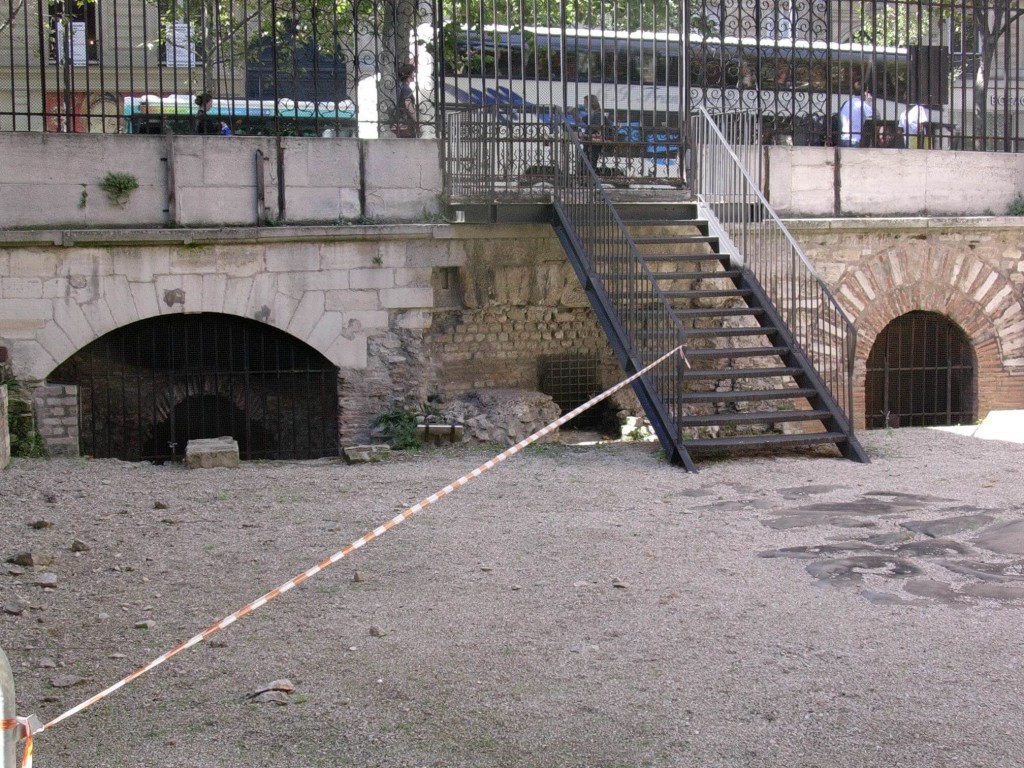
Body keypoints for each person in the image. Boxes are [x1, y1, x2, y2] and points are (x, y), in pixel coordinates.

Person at [837, 81, 873, 147]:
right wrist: (869, 102)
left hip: (843, 138)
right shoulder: (863, 105)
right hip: (854, 138)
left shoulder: (847, 103)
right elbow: (874, 117)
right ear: (865, 92)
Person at [391, 63, 419, 138]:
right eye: (413, 73)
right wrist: (417, 121)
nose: (414, 75)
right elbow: (408, 105)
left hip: (397, 122)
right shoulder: (406, 88)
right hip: (405, 123)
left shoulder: (398, 87)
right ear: (409, 75)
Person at [580, 94, 605, 171]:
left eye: (585, 102)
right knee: (585, 165)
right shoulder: (592, 114)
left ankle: (589, 181)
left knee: (589, 166)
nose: (584, 105)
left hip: (593, 145)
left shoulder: (597, 115)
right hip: (590, 144)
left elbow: (597, 130)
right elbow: (582, 119)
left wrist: (585, 135)